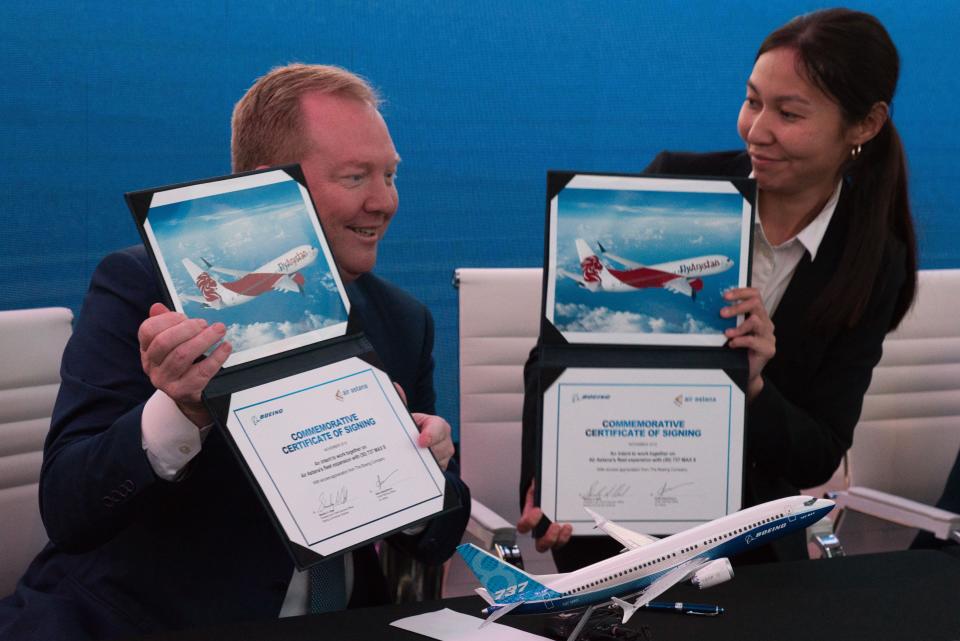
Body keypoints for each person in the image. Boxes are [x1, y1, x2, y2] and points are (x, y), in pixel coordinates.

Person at [0, 64, 470, 640]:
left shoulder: (402, 320)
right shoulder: (142, 290)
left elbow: (438, 536)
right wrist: (179, 411)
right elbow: (70, 508)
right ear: (264, 182)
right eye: (355, 178)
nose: (384, 201)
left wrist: (428, 468)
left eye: (391, 175)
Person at [518, 8, 917, 570]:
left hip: (746, 549)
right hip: (614, 529)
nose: (756, 130)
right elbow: (551, 358)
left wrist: (753, 387)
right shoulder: (678, 187)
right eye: (752, 101)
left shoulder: (871, 259)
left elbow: (818, 453)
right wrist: (547, 481)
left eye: (789, 113)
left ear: (864, 125)